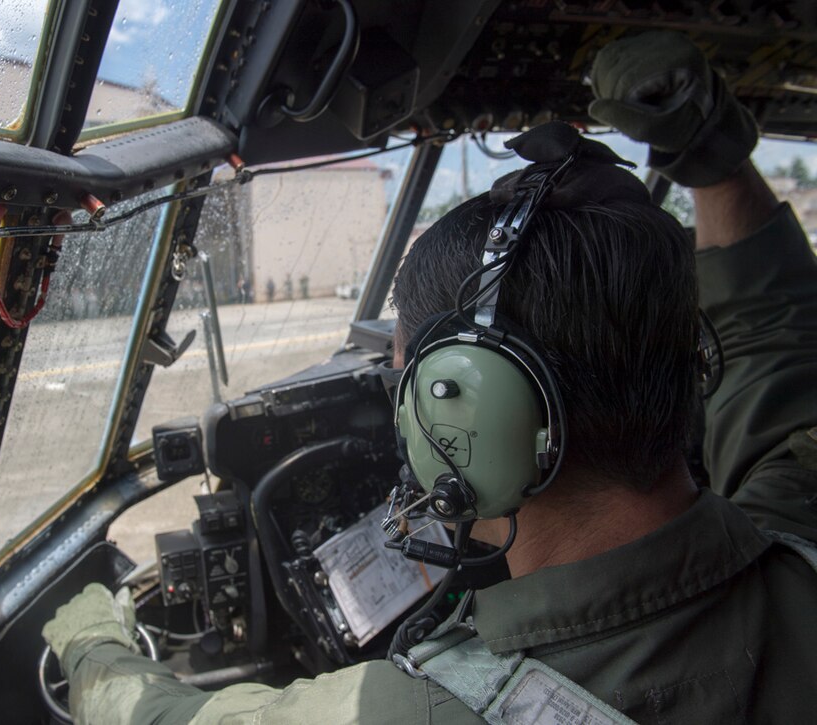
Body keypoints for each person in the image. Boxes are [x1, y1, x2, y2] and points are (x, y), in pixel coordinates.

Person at [43, 32, 817, 723]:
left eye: (408, 384)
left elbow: (160, 716)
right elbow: (775, 336)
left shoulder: (422, 710)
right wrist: (709, 153)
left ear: (472, 418)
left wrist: (90, 643)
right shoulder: (796, 531)